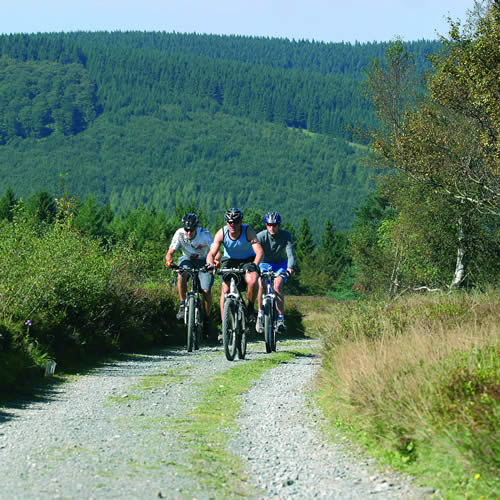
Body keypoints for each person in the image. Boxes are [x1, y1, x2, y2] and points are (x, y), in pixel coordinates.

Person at [206, 207, 263, 325]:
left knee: (252, 281)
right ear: (226, 222)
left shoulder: (248, 231)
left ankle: (251, 308)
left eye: (236, 222)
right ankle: (224, 325)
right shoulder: (221, 233)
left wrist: (255, 265)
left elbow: (259, 252)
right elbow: (211, 253)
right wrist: (211, 265)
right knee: (225, 290)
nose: (232, 225)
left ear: (240, 222)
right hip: (230, 260)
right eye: (229, 222)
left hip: (247, 260)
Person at [165, 213, 215, 335]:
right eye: (186, 230)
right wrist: (169, 261)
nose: (188, 233)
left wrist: (214, 262)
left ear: (196, 228)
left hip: (204, 261)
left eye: (191, 230)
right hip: (187, 259)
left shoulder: (204, 234)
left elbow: (215, 251)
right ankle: (182, 304)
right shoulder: (179, 233)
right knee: (181, 274)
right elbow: (170, 252)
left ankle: (207, 318)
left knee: (206, 290)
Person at [256, 211, 295, 333]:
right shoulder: (260, 236)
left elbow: (290, 254)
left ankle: (280, 319)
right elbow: (254, 254)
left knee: (277, 286)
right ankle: (260, 314)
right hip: (264, 264)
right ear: (266, 225)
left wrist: (290, 267)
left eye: (274, 225)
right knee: (261, 284)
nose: (272, 227)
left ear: (279, 225)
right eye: (269, 225)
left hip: (280, 265)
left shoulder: (286, 235)